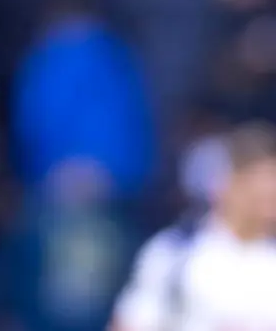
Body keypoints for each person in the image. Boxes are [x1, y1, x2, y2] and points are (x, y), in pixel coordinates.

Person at [110, 122, 276, 331]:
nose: (269, 197)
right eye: (260, 188)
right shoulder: (176, 252)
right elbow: (131, 323)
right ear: (228, 184)